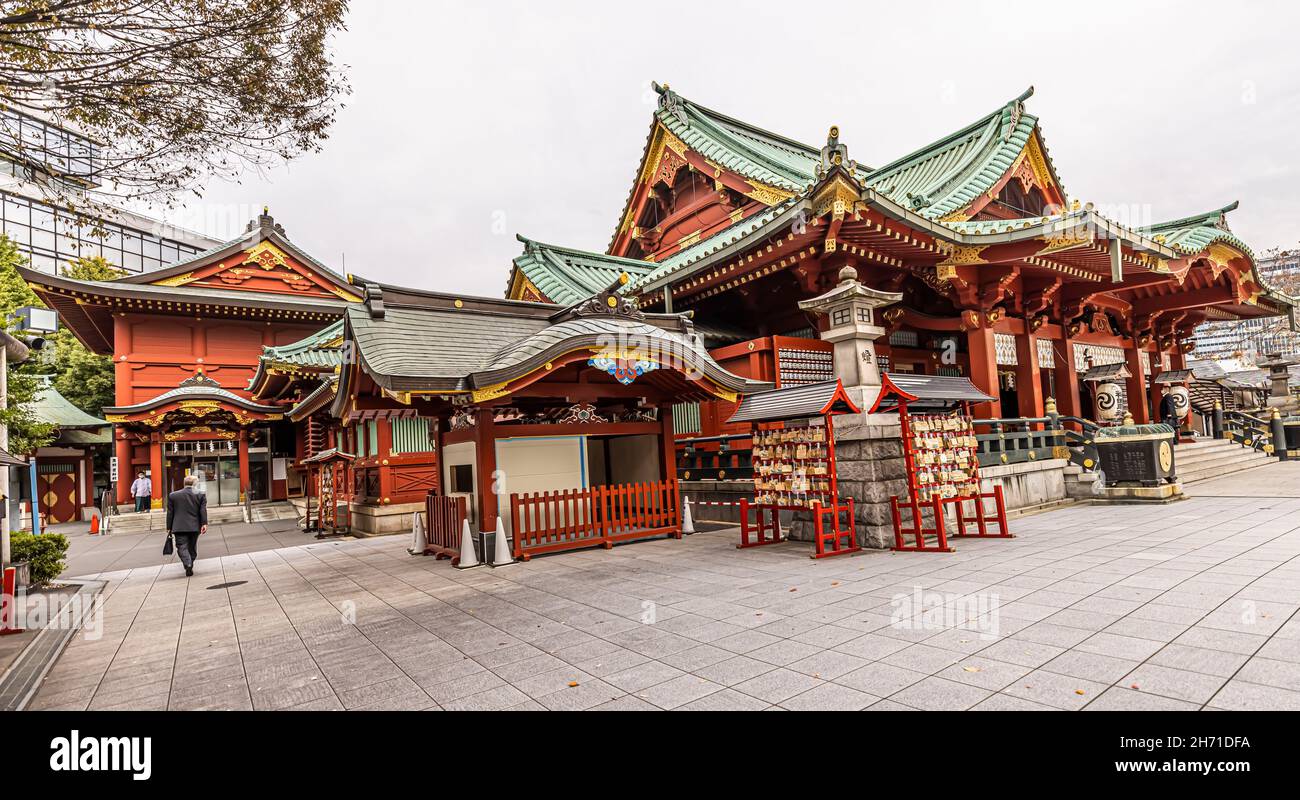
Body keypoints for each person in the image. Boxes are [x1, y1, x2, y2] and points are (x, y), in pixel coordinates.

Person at [166, 474, 208, 577]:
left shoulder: (173, 495)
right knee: (192, 547)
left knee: (181, 546)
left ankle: (187, 563)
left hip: (179, 526)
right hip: (194, 525)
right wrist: (204, 523)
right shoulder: (201, 494)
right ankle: (190, 563)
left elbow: (170, 512)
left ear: (184, 483)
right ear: (195, 484)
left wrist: (169, 527)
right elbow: (202, 510)